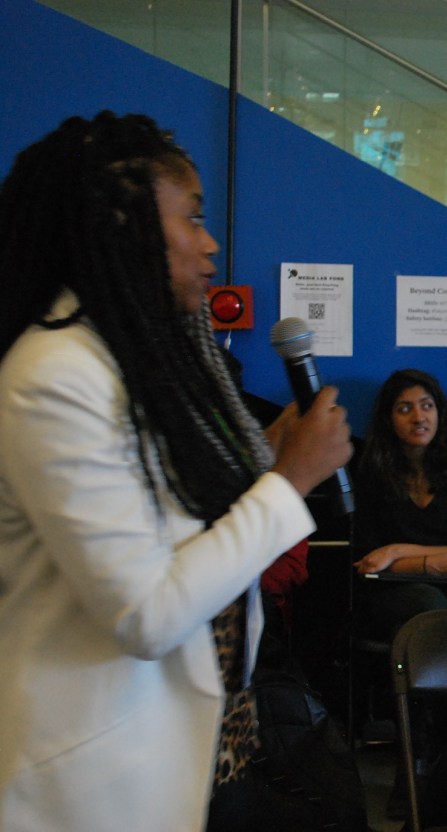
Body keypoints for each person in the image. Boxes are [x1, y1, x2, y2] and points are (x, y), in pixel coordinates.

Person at [0, 112, 353, 831]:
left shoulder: (136, 358)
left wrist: (267, 457)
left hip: (210, 746)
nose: (210, 244)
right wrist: (288, 481)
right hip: (104, 776)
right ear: (122, 229)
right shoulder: (53, 374)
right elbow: (146, 611)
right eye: (192, 218)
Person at [352, 369, 447, 640]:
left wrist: (394, 552)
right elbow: (369, 560)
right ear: (389, 419)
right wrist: (434, 561)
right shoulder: (371, 471)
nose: (418, 418)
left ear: (439, 412)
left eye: (427, 406)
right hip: (392, 591)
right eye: (405, 409)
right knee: (428, 600)